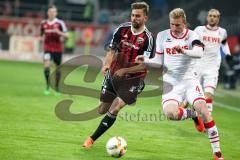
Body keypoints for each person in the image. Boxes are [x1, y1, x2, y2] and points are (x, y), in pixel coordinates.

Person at [141, 8, 224, 159]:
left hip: (190, 81)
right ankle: (193, 115)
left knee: (205, 111)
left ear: (184, 23)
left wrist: (184, 51)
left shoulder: (192, 35)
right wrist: (145, 61)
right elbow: (159, 61)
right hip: (170, 83)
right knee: (170, 114)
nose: (175, 28)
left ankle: (217, 153)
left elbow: (199, 53)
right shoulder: (162, 36)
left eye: (178, 25)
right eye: (172, 24)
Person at [82, 1, 154, 148]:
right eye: (133, 15)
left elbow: (145, 64)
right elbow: (112, 50)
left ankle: (91, 139)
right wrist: (107, 64)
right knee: (102, 109)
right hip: (114, 75)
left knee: (115, 107)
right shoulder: (122, 29)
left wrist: (125, 71)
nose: (134, 18)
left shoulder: (148, 38)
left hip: (134, 78)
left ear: (145, 18)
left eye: (138, 16)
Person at [194, 9, 231, 115]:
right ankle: (194, 114)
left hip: (212, 68)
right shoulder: (199, 30)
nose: (212, 18)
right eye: (210, 15)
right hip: (198, 66)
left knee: (209, 94)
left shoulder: (222, 32)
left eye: (215, 16)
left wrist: (228, 55)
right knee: (197, 96)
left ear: (218, 19)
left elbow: (224, 45)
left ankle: (207, 121)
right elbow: (191, 43)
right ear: (207, 17)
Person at [40, 5, 68, 95]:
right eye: (50, 12)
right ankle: (48, 86)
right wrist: (41, 38)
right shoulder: (43, 23)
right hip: (47, 48)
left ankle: (56, 87)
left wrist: (59, 32)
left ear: (56, 13)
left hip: (57, 49)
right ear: (48, 13)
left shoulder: (60, 23)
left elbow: (67, 36)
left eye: (54, 12)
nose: (52, 13)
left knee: (57, 68)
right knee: (46, 66)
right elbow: (41, 35)